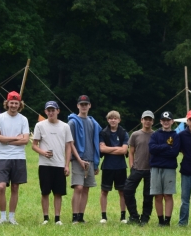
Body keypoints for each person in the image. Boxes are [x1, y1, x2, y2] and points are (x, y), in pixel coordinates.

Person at [32, 101, 73, 225]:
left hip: (59, 164)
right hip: (44, 164)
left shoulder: (65, 126)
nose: (51, 113)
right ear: (45, 112)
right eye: (48, 110)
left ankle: (57, 218)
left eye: (53, 110)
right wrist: (43, 152)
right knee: (45, 192)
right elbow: (34, 145)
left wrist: (67, 165)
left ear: (58, 111)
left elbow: (68, 146)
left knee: (58, 193)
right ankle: (46, 218)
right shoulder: (40, 125)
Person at [0, 91, 29, 225]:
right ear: (7, 103)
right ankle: (2, 217)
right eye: (11, 103)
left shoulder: (23, 119)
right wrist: (15, 138)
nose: (13, 105)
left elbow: (25, 140)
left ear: (20, 104)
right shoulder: (0, 118)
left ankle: (12, 217)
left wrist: (6, 140)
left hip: (19, 157)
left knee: (15, 187)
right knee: (2, 186)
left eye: (16, 103)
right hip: (3, 157)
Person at [68, 95, 101, 223]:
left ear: (89, 106)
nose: (84, 106)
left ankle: (81, 216)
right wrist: (79, 159)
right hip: (77, 159)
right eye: (81, 104)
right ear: (77, 106)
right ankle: (74, 216)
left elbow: (96, 142)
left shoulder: (93, 123)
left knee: (86, 188)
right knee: (78, 187)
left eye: (86, 104)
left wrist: (96, 163)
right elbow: (70, 143)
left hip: (90, 159)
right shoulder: (72, 123)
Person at [148, 111, 181, 227]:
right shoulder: (155, 135)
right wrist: (166, 146)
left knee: (168, 195)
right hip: (156, 168)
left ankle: (167, 220)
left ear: (172, 121)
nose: (166, 122)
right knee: (157, 195)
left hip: (169, 168)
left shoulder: (175, 136)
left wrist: (159, 150)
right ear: (160, 122)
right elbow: (152, 149)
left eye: (168, 120)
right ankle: (160, 220)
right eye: (164, 120)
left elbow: (174, 153)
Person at [124, 110, 155, 225]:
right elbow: (131, 152)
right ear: (141, 120)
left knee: (148, 195)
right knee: (127, 190)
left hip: (151, 170)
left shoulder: (155, 135)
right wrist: (131, 165)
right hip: (137, 168)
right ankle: (134, 216)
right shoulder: (135, 135)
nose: (147, 121)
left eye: (150, 119)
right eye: (145, 119)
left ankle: (145, 218)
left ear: (152, 122)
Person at [99, 110, 129, 224]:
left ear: (119, 120)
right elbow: (102, 149)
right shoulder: (103, 133)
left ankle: (123, 216)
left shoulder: (124, 133)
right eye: (111, 118)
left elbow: (124, 150)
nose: (113, 120)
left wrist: (109, 149)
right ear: (108, 120)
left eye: (115, 118)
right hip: (107, 166)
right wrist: (117, 148)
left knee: (122, 192)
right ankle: (103, 216)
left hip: (121, 166)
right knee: (104, 191)